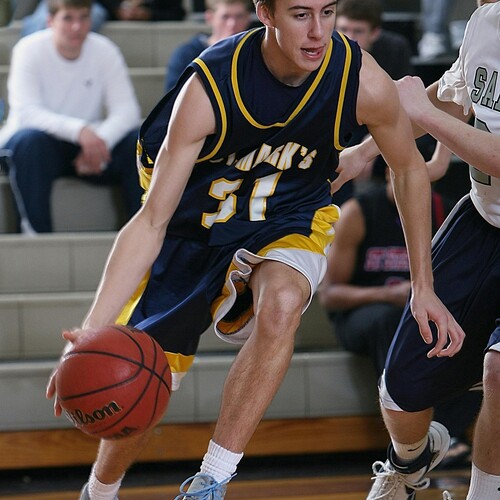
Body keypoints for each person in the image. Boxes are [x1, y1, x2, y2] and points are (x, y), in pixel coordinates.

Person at [45, 0, 464, 498]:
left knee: (283, 303)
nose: (317, 31)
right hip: (191, 226)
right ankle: (100, 490)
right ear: (264, 13)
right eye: (300, 14)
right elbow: (151, 220)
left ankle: (212, 479)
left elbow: (410, 168)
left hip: (288, 213)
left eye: (327, 13)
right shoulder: (210, 87)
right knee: (143, 369)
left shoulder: (358, 78)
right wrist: (89, 333)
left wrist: (423, 285)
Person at [332, 0, 499, 497]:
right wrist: (365, 151)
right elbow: (449, 96)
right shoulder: (485, 21)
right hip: (483, 220)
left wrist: (424, 112)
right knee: (400, 393)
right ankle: (408, 464)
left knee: (498, 369)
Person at [318, 165, 481, 469]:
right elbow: (330, 295)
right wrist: (387, 295)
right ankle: (408, 439)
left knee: (470, 329)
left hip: (420, 314)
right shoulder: (358, 212)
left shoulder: (443, 211)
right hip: (360, 315)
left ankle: (446, 433)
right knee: (392, 321)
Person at [0, 0, 143, 233]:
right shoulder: (28, 49)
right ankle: (36, 237)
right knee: (29, 141)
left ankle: (142, 240)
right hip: (41, 147)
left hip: (92, 149)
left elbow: (127, 111)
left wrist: (100, 141)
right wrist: (80, 131)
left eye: (83, 17)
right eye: (68, 18)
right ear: (50, 21)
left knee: (137, 140)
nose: (77, 26)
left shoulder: (104, 49)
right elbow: (27, 112)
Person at [333, 0, 414, 205]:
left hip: (377, 126)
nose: (349, 37)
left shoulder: (395, 49)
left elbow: (403, 105)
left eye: (358, 31)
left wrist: (371, 144)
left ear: (375, 33)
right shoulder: (322, 49)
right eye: (343, 29)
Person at [164, 0, 253, 92]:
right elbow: (173, 99)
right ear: (209, 17)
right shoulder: (186, 54)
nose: (232, 24)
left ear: (248, 17)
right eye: (225, 17)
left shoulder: (255, 53)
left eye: (239, 16)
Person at [20, 0, 109, 36]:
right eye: (68, 18)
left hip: (89, 2)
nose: (76, 27)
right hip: (54, 2)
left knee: (96, 15)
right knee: (40, 22)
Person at [99, 0, 185, 21]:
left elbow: (178, 13)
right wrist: (117, 9)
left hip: (149, 14)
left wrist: (149, 14)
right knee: (96, 14)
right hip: (107, 9)